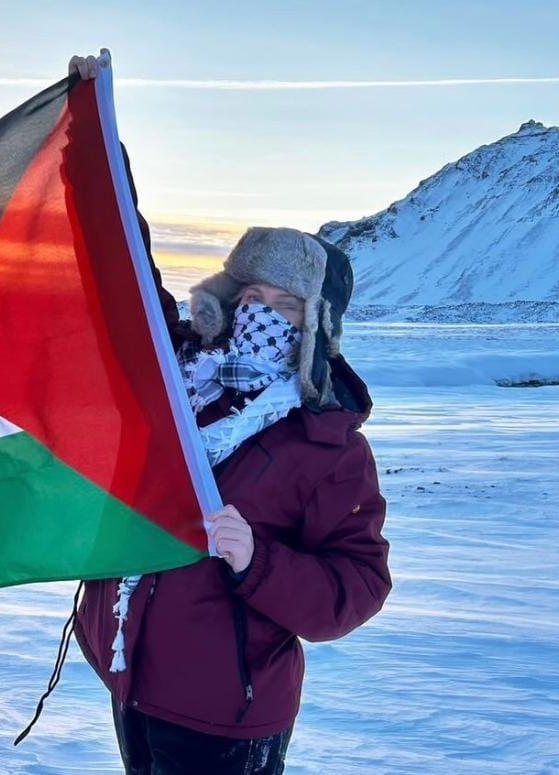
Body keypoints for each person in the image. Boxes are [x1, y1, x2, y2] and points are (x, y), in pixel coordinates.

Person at [56, 52, 391, 775]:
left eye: (281, 304)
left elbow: (357, 586)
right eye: (248, 295)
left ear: (315, 323)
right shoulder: (179, 377)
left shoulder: (325, 442)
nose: (257, 312)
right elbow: (126, 279)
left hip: (228, 712)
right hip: (132, 677)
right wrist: (95, 145)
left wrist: (254, 559)